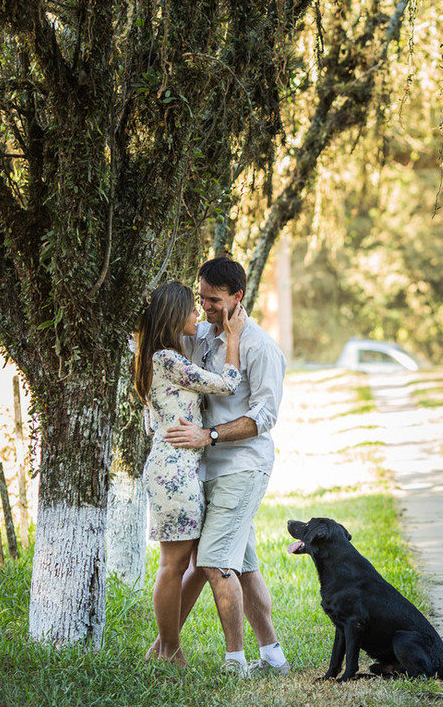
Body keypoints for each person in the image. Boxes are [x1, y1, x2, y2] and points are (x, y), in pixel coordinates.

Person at [164, 256, 289, 677]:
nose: (206, 308)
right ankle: (272, 655)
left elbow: (264, 417)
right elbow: (152, 343)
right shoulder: (198, 336)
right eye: (201, 298)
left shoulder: (260, 347)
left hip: (242, 466)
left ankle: (235, 663)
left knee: (215, 563)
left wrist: (210, 436)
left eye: (214, 300)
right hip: (205, 470)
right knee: (245, 567)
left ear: (238, 297)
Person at [132, 280, 246, 666]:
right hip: (174, 471)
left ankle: (162, 647)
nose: (198, 314)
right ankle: (169, 649)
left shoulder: (157, 359)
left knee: (197, 560)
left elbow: (152, 425)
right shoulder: (167, 359)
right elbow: (227, 385)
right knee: (173, 565)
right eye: (192, 309)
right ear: (174, 315)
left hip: (175, 466)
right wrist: (233, 338)